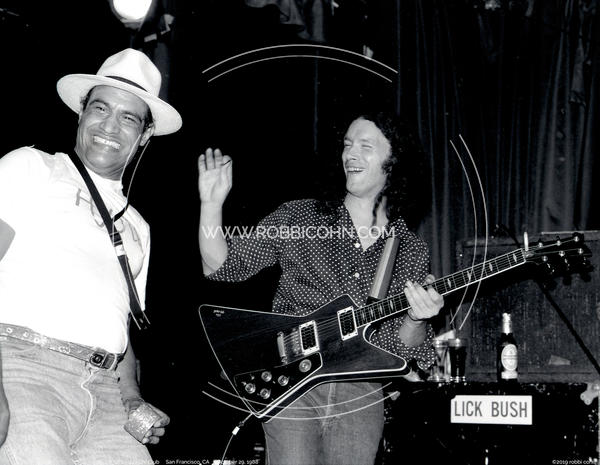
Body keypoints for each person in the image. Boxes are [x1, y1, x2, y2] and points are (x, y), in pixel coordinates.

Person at [198, 111, 444, 465]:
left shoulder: (409, 249)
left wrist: (417, 319)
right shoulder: (300, 218)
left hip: (361, 394)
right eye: (347, 145)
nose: (350, 154)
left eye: (365, 146)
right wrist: (211, 204)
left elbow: (398, 348)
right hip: (293, 383)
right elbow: (222, 267)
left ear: (394, 161)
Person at [0, 48, 182, 464]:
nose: (109, 126)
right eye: (100, 108)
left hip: (105, 393)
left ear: (145, 135)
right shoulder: (32, 167)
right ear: (81, 113)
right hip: (22, 369)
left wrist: (132, 398)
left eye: (128, 118)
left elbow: (118, 324)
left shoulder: (137, 226)